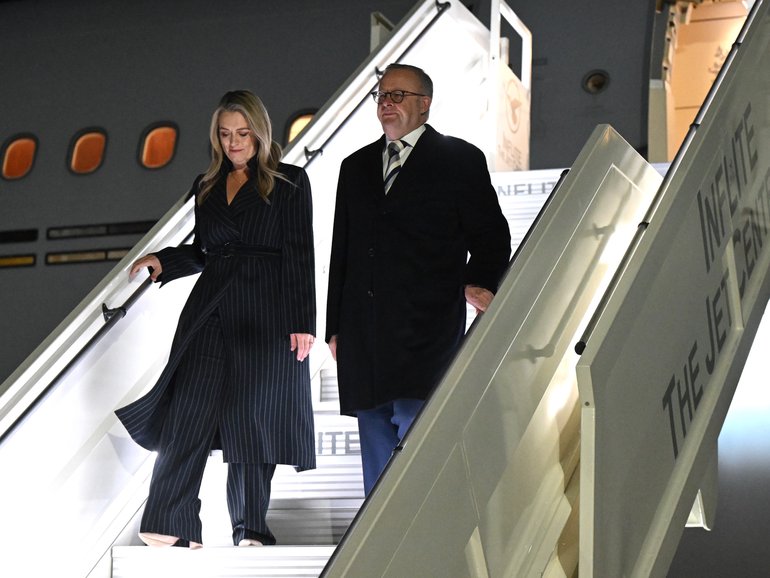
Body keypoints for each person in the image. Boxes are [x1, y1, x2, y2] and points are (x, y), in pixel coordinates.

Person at [115, 90, 316, 548]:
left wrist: (303, 321)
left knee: (253, 422)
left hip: (267, 313)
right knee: (188, 411)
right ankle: (171, 521)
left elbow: (300, 254)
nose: (233, 143)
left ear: (260, 132)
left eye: (242, 133)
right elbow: (204, 251)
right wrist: (164, 262)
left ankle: (250, 528)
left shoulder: (290, 182)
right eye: (225, 135)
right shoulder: (204, 186)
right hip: (210, 308)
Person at [325, 64, 511, 496]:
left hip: (424, 328)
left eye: (397, 96)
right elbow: (343, 251)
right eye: (381, 96)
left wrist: (479, 280)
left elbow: (489, 232)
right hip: (364, 330)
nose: (386, 104)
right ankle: (377, 549)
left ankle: (418, 539)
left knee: (419, 432)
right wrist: (334, 325)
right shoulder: (355, 167)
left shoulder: (459, 159)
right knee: (374, 436)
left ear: (424, 104)